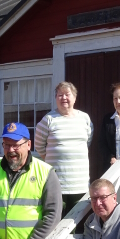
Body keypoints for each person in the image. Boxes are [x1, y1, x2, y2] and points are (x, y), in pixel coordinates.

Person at [34, 81, 93, 215]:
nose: (64, 98)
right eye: (60, 95)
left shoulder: (85, 118)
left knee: (78, 220)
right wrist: (56, 158)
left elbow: (88, 141)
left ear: (74, 98)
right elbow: (39, 145)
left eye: (67, 94)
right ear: (56, 98)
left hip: (80, 183)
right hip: (57, 183)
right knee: (56, 220)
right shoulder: (48, 119)